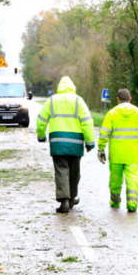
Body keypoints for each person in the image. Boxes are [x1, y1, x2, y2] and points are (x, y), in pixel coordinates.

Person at [37, 76, 95, 213]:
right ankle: (72, 198)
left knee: (61, 170)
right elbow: (87, 122)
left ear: (59, 87)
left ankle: (64, 201)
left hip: (58, 143)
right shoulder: (78, 101)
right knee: (74, 172)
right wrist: (90, 143)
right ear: (73, 87)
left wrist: (41, 136)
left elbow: (40, 120)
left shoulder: (52, 100)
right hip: (76, 143)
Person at [97, 89, 138, 212]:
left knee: (115, 179)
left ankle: (115, 202)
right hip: (132, 154)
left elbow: (104, 133)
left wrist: (101, 148)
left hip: (116, 154)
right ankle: (132, 203)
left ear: (117, 99)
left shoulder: (112, 113)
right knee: (133, 177)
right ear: (130, 99)